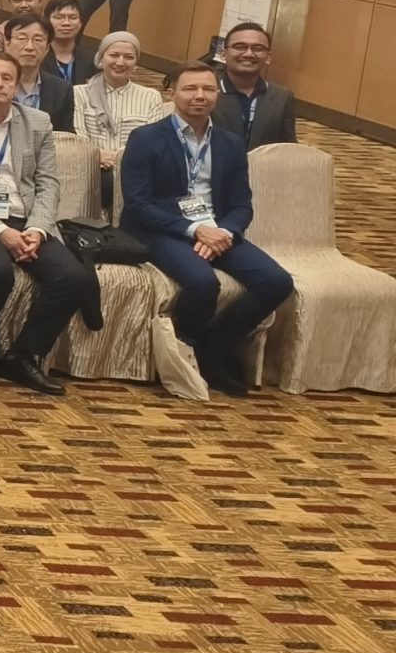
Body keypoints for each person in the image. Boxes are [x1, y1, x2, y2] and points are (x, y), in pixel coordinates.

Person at [119, 64, 295, 397]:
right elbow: (138, 205)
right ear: (172, 93)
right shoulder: (146, 138)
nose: (199, 96)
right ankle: (186, 353)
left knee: (277, 281)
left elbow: (242, 205)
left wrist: (224, 233)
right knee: (202, 282)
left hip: (217, 231)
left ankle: (215, 345)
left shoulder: (230, 143)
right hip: (161, 229)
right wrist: (195, 230)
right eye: (190, 89)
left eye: (208, 89)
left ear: (217, 94)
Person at [0, 51, 99, 396]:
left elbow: (48, 183)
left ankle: (23, 355)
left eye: (6, 78)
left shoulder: (37, 122)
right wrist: (1, 232)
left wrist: (36, 229)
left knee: (73, 277)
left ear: (16, 85)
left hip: (26, 218)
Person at [76, 31, 167, 192]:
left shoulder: (151, 96)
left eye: (129, 57)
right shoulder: (79, 93)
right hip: (89, 170)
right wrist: (97, 155)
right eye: (114, 55)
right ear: (101, 59)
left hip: (134, 171)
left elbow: (153, 141)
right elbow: (78, 135)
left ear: (136, 63)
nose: (120, 62)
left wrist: (120, 158)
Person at [212, 22, 295, 147]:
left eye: (258, 48)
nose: (248, 54)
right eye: (240, 47)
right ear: (224, 54)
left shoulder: (282, 98)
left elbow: (287, 147)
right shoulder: (206, 91)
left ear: (268, 57)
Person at [0, 15, 77, 133]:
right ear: (7, 44)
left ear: (47, 48)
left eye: (38, 40)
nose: (29, 47)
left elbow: (65, 136)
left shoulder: (61, 90)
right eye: (22, 38)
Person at [38, 0, 88, 85]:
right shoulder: (37, 57)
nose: (66, 23)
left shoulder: (91, 60)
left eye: (73, 18)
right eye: (59, 17)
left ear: (81, 23)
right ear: (47, 21)